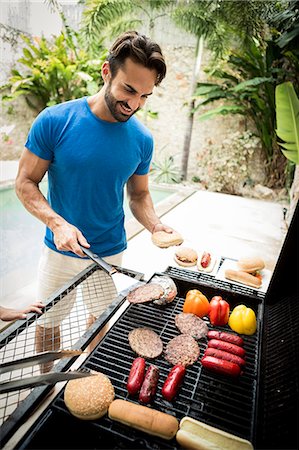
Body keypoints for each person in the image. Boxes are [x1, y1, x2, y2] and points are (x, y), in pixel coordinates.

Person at [15, 31, 176, 370]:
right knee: (47, 325)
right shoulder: (56, 120)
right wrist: (57, 223)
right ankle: (46, 387)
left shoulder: (142, 140)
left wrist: (155, 224)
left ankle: (87, 378)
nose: (134, 104)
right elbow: (25, 183)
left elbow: (140, 194)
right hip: (59, 250)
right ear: (107, 72)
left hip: (109, 251)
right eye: (128, 90)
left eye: (145, 96)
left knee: (99, 325)